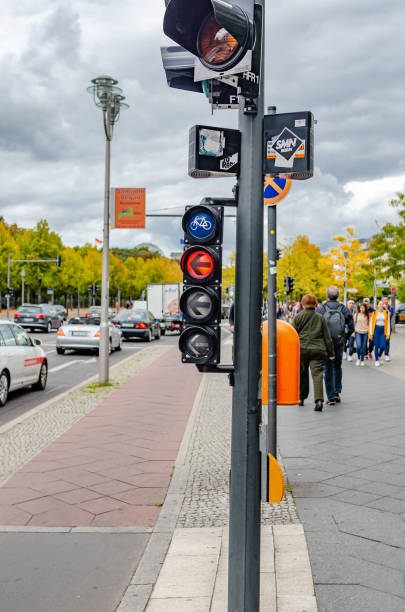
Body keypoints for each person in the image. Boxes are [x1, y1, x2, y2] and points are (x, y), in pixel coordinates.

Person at [292, 294, 334, 411]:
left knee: (302, 373)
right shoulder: (320, 318)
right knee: (318, 375)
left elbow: (293, 334)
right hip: (318, 350)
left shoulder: (298, 317)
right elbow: (327, 337)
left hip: (302, 349)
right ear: (315, 304)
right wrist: (331, 353)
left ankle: (301, 398)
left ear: (303, 303)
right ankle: (319, 400)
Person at [316, 286, 354, 406]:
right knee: (338, 366)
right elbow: (351, 325)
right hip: (339, 341)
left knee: (328, 368)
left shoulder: (321, 309)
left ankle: (331, 396)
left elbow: (316, 326)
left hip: (326, 343)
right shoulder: (343, 308)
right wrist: (344, 337)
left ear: (327, 296)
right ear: (338, 296)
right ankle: (337, 392)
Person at [369, 300, 391, 366]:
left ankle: (378, 356)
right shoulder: (374, 313)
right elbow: (371, 324)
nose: (381, 305)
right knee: (376, 346)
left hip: (383, 330)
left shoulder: (386, 313)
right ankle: (377, 360)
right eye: (380, 304)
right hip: (376, 330)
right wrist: (370, 334)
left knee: (382, 346)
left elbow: (388, 324)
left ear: (384, 305)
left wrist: (388, 333)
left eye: (382, 304)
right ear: (378, 305)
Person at [382, 296, 394, 361]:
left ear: (388, 300)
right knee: (380, 341)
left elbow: (390, 315)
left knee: (387, 341)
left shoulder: (391, 308)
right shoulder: (380, 307)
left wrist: (386, 309)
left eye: (386, 300)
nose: (385, 301)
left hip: (388, 327)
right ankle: (379, 353)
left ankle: (386, 354)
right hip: (380, 327)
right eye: (384, 300)